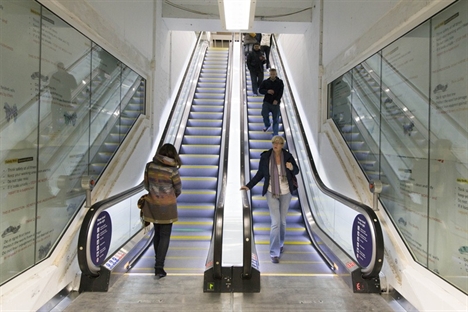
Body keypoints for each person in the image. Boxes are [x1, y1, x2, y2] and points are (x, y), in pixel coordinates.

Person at [241, 135, 299, 263]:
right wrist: (248, 186)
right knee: (275, 222)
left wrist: (291, 168)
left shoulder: (288, 156)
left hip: (286, 192)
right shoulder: (266, 157)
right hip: (271, 192)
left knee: (283, 222)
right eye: (274, 142)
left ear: (282, 145)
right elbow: (260, 174)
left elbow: (297, 171)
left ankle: (281, 243)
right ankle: (274, 253)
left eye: (278, 143)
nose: (275, 145)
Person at [142, 143, 182, 278]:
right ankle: (159, 267)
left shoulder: (150, 166)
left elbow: (146, 185)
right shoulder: (173, 171)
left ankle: (157, 261)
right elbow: (178, 189)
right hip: (167, 207)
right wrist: (169, 197)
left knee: (157, 233)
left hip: (152, 205)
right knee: (165, 235)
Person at [48, 62, 78, 132]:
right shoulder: (54, 76)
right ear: (58, 68)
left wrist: (65, 86)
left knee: (65, 113)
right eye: (59, 67)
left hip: (65, 100)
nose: (60, 69)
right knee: (55, 114)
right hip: (56, 99)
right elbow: (51, 87)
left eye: (62, 67)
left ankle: (64, 128)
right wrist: (54, 94)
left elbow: (74, 86)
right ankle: (55, 128)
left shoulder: (69, 76)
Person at [259, 68, 284, 136]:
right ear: (269, 74)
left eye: (274, 74)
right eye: (271, 74)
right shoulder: (265, 82)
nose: (272, 75)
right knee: (264, 114)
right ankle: (267, 125)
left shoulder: (280, 82)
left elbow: (280, 92)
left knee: (276, 118)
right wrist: (267, 91)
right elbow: (260, 90)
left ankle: (275, 133)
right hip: (267, 102)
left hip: (275, 104)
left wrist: (277, 100)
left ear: (276, 74)